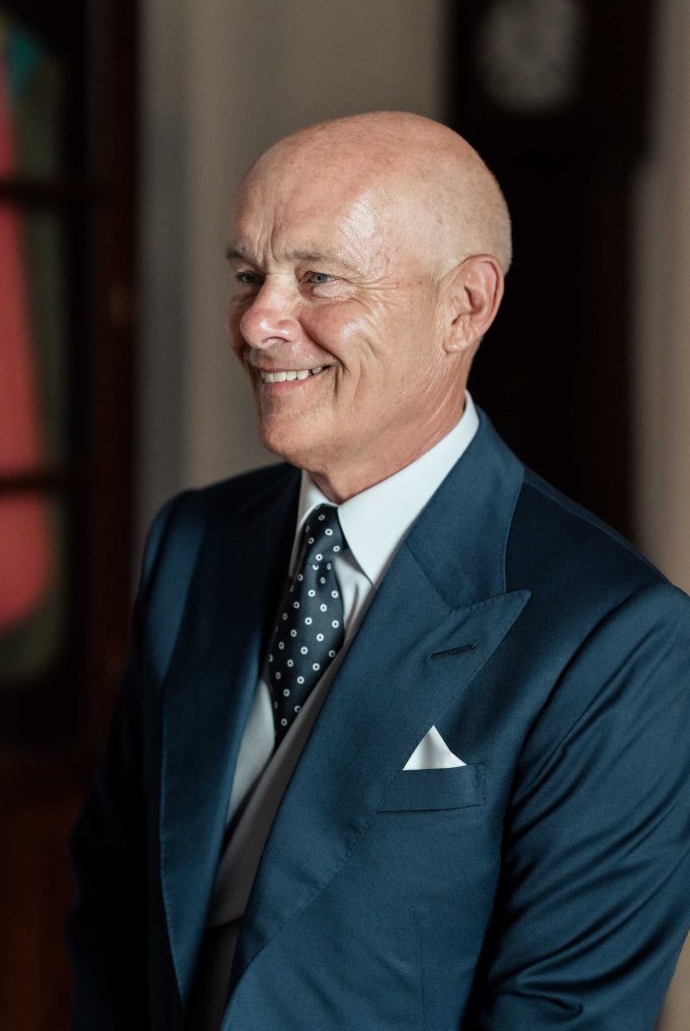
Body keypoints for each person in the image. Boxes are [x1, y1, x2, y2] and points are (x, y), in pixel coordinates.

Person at [66, 112, 690, 1031]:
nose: (257, 321)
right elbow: (114, 899)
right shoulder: (193, 541)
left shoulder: (616, 636)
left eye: (317, 278)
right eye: (247, 276)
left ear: (464, 306)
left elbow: (564, 1013)